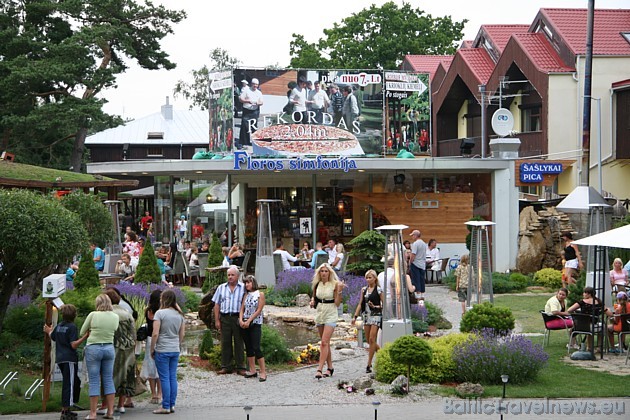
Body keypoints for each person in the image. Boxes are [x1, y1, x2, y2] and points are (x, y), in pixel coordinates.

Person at [43, 304, 89, 419]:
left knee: (75, 381)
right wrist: (85, 336)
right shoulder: (72, 327)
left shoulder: (59, 326)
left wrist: (48, 331)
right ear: (74, 315)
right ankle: (65, 410)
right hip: (69, 358)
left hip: (60, 358)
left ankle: (69, 404)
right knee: (69, 384)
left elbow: (53, 336)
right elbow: (73, 345)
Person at [80, 294, 119, 420]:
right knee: (108, 379)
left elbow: (82, 332)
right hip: (109, 347)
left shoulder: (93, 315)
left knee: (94, 380)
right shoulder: (115, 316)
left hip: (93, 348)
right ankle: (110, 411)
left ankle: (93, 413)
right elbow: (115, 329)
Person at [150, 289, 185, 415]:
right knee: (172, 377)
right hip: (174, 349)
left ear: (163, 299)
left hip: (162, 349)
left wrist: (152, 349)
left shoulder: (160, 313)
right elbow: (182, 334)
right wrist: (177, 344)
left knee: (164, 377)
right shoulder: (179, 314)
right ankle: (172, 404)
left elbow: (155, 333)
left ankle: (165, 405)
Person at [103, 289, 136, 414]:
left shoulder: (108, 313)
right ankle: (121, 404)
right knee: (125, 375)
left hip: (113, 346)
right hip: (127, 348)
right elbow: (133, 332)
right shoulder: (126, 312)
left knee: (109, 375)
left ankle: (105, 404)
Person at [310, 263, 344, 379]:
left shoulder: (335, 284)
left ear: (329, 272)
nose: (324, 273)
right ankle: (330, 368)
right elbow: (314, 297)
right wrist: (312, 301)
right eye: (322, 271)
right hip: (320, 313)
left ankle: (319, 369)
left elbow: (337, 303)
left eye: (326, 271)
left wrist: (339, 291)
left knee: (324, 342)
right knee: (325, 342)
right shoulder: (317, 284)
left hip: (331, 313)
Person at [212, 266, 247, 375]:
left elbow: (246, 303)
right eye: (229, 275)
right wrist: (217, 320)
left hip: (237, 317)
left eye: (232, 275)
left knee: (239, 342)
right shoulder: (221, 288)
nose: (230, 277)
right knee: (225, 342)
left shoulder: (243, 288)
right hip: (225, 317)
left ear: (237, 276)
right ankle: (226, 366)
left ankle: (241, 367)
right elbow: (216, 304)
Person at [351, 270, 383, 374]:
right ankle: (382, 353)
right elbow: (360, 303)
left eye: (370, 277)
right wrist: (355, 316)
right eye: (367, 278)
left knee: (372, 338)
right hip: (366, 316)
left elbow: (383, 305)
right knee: (370, 341)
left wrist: (375, 306)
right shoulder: (364, 290)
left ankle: (369, 364)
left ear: (375, 278)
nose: (368, 280)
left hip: (376, 315)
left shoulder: (378, 290)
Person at [239, 275, 267, 382]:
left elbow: (259, 310)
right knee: (248, 347)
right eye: (245, 283)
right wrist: (241, 320)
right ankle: (252, 369)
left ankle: (263, 372)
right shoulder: (246, 295)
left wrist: (249, 321)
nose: (247, 285)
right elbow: (242, 309)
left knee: (256, 347)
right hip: (245, 322)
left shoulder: (260, 294)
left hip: (255, 323)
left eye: (249, 283)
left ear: (253, 283)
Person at [567, 286, 613, 352]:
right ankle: (599, 347)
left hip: (581, 326)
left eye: (584, 293)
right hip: (594, 326)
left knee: (572, 329)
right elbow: (610, 314)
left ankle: (573, 344)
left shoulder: (582, 302)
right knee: (602, 327)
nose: (583, 294)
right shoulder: (599, 302)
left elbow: (569, 310)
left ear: (589, 294)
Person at [141, 290, 162, 405]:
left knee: (150, 366)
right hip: (160, 339)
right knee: (160, 367)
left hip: (150, 339)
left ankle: (153, 393)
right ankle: (159, 393)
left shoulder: (148, 311)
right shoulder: (162, 312)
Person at [238, 78, 263, 148]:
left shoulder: (259, 92)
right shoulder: (246, 90)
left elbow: (262, 102)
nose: (255, 86)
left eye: (256, 84)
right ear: (251, 84)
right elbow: (240, 99)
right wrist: (247, 101)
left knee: (254, 127)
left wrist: (258, 103)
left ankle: (255, 143)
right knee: (244, 126)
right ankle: (243, 142)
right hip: (246, 110)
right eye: (254, 84)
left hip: (255, 111)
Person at [409, 229, 427, 300]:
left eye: (412, 235)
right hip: (422, 264)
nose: (412, 237)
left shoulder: (415, 244)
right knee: (422, 279)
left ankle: (418, 295)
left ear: (416, 235)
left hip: (416, 263)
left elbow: (413, 254)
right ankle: (422, 294)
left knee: (416, 279)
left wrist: (410, 261)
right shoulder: (423, 243)